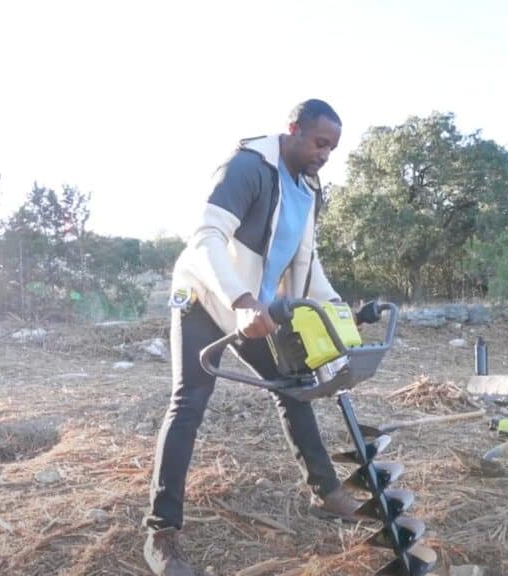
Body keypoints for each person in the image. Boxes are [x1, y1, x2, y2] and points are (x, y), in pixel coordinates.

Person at [143, 99, 360, 576]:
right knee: (188, 401)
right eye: (320, 142)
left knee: (294, 388)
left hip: (255, 310)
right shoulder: (248, 168)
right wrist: (240, 300)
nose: (326, 154)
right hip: (204, 295)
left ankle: (326, 494)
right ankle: (162, 533)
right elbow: (206, 239)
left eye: (333, 148)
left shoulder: (307, 187)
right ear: (294, 129)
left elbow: (306, 263)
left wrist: (339, 313)